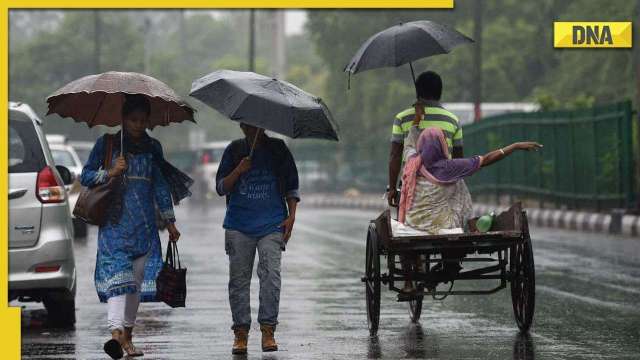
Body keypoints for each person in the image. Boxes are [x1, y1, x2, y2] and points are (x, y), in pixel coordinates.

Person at [81, 94, 192, 359]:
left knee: (136, 285)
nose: (138, 125)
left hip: (145, 228)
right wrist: (109, 172)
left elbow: (161, 186)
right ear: (123, 119)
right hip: (115, 226)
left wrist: (170, 221)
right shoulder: (106, 144)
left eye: (143, 120)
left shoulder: (153, 148)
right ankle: (115, 334)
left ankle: (127, 337)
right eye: (133, 120)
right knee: (120, 280)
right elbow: (85, 175)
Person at [397, 103, 542, 292]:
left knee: (454, 186)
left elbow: (409, 141)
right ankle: (446, 269)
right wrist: (514, 146)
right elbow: (487, 159)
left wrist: (417, 119)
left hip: (414, 224)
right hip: (446, 227)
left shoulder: (411, 161)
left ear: (421, 147)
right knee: (459, 184)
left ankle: (413, 280)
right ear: (442, 146)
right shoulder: (451, 167)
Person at [215, 123, 300, 355]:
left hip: (272, 224)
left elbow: (292, 185)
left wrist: (292, 216)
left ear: (264, 124)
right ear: (241, 125)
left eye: (257, 125)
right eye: (247, 124)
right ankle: (240, 333)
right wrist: (238, 170)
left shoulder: (278, 149)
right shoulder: (234, 150)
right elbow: (221, 187)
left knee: (271, 275)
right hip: (238, 226)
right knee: (239, 281)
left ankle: (268, 330)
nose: (251, 129)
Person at [388, 71, 464, 206]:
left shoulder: (402, 118)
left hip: (412, 190)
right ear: (439, 92)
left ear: (418, 91)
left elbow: (395, 155)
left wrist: (392, 188)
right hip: (443, 189)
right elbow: (458, 160)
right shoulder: (453, 120)